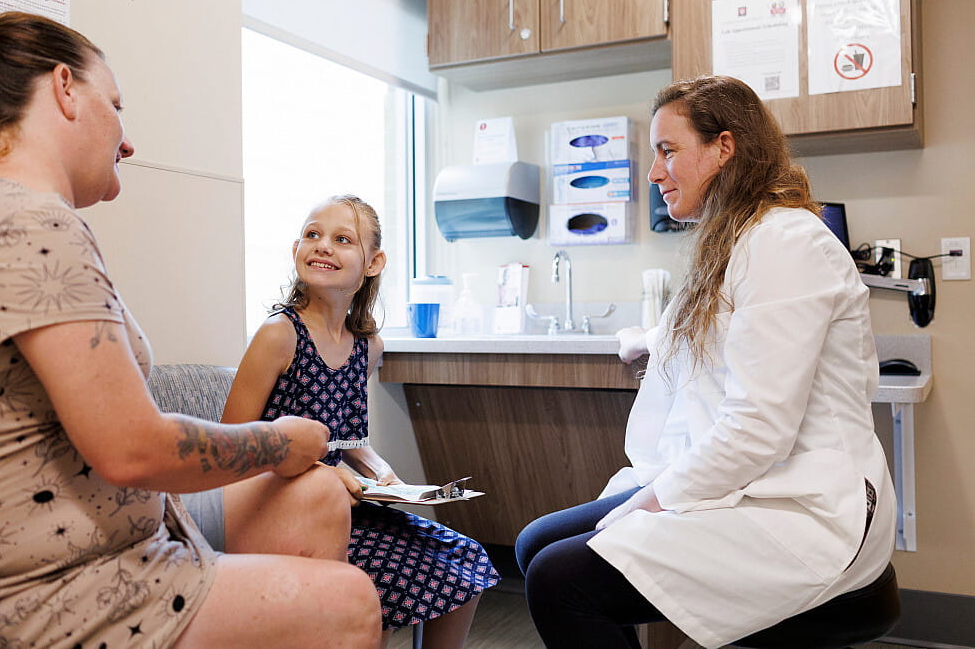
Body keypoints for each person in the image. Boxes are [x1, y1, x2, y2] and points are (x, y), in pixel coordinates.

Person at [0, 12, 381, 647]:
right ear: (64, 88)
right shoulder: (31, 224)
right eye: (116, 106)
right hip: (55, 584)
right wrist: (278, 440)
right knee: (352, 601)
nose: (127, 143)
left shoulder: (5, 213)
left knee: (318, 497)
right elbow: (132, 450)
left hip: (118, 527)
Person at [515, 75, 896, 649]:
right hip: (755, 479)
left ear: (724, 148)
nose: (654, 173)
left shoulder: (785, 241)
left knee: (560, 579)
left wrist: (651, 501)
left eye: (667, 151)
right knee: (534, 544)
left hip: (805, 504)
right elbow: (707, 328)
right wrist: (642, 339)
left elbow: (759, 426)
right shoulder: (733, 241)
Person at [220, 194, 500, 648]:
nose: (323, 245)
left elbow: (349, 438)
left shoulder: (366, 347)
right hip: (278, 508)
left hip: (341, 505)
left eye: (342, 239)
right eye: (312, 235)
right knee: (382, 579)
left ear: (373, 263)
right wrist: (319, 474)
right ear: (296, 250)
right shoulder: (279, 334)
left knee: (466, 562)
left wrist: (382, 473)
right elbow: (231, 447)